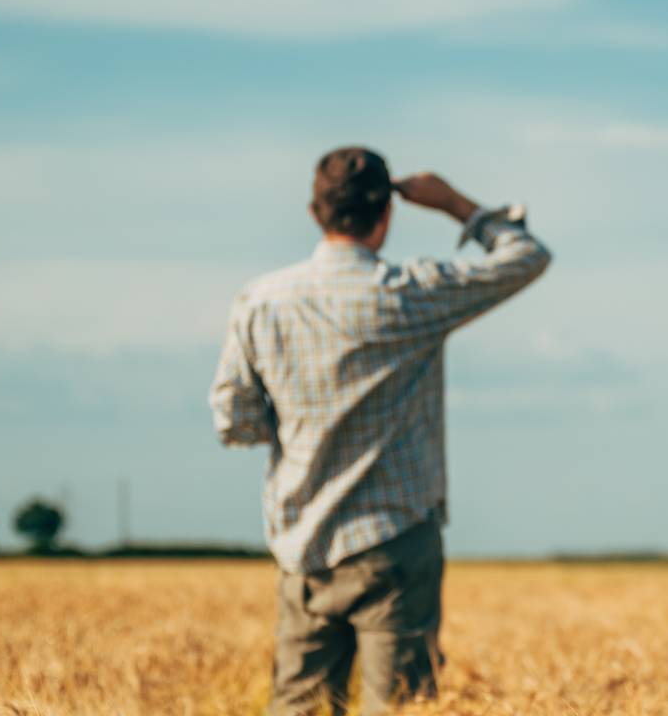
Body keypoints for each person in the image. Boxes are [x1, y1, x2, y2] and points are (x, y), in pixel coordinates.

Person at [209, 147, 550, 715]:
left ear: (316, 211)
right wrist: (453, 204)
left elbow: (233, 420)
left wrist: (299, 431)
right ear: (385, 216)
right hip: (395, 542)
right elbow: (527, 256)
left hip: (302, 544)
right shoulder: (412, 293)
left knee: (300, 708)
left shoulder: (260, 301)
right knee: (399, 708)